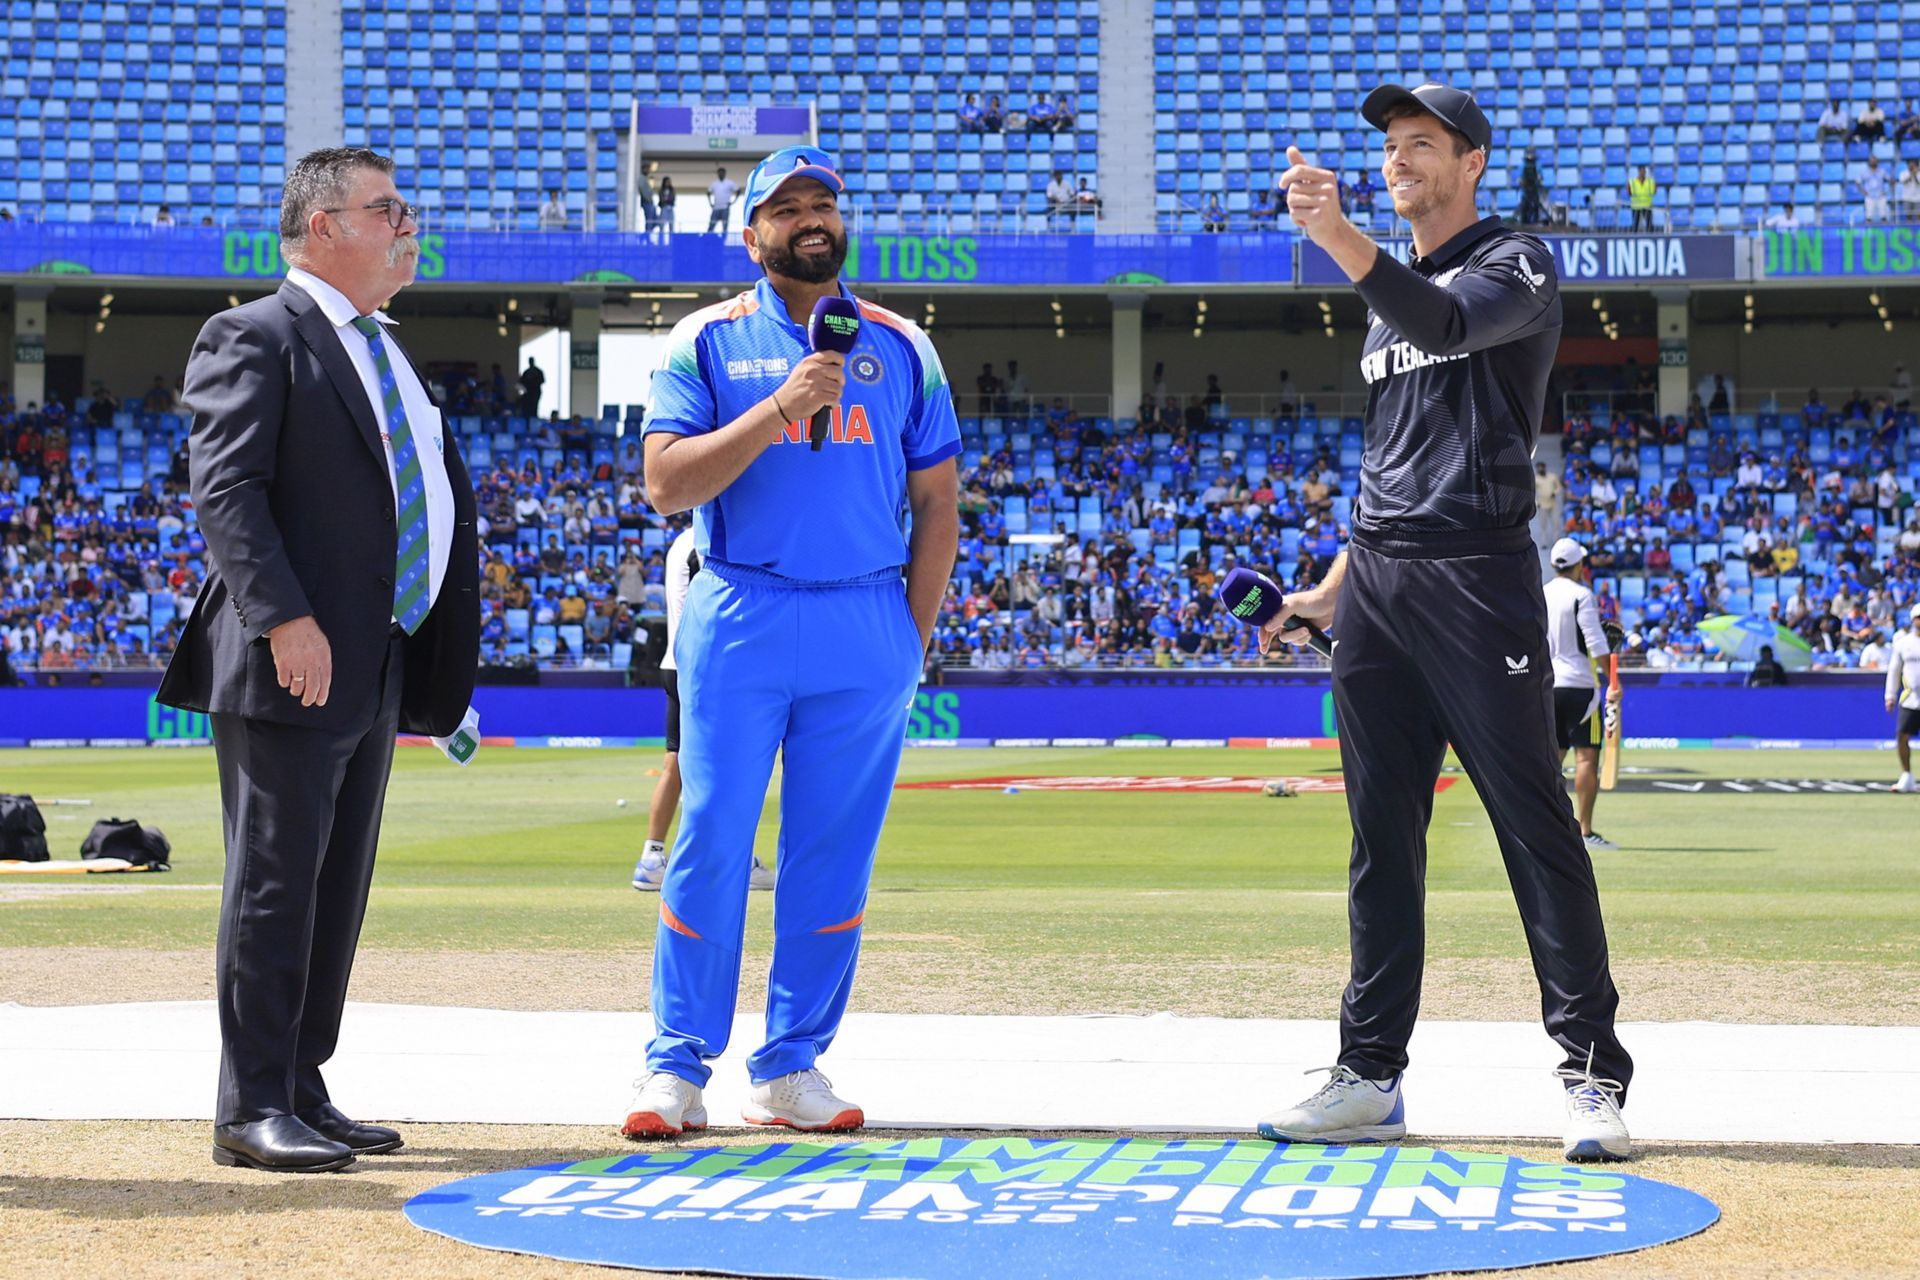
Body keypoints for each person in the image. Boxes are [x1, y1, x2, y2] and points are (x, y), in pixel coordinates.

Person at [1261, 82, 1632, 1162]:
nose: (1398, 159)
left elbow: (1453, 324)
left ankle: (1592, 1074)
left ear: (1472, 162)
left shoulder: (1516, 262)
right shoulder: (1394, 289)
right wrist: (1336, 582)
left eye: (1422, 143)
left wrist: (1336, 234)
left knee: (1534, 827)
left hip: (1479, 577)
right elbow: (1394, 454)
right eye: (1389, 145)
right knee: (1382, 839)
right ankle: (1370, 1071)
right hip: (1380, 582)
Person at [624, 145, 961, 1139]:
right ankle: (676, 1067)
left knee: (832, 855)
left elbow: (937, 501)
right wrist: (782, 407)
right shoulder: (706, 340)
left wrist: (911, 635)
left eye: (824, 202)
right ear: (753, 234)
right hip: (743, 607)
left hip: (866, 618)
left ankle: (791, 1063)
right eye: (787, 207)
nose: (810, 217)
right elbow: (666, 485)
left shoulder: (903, 344)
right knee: (713, 837)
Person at [155, 147, 479, 1173]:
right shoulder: (255, 334)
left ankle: (301, 1079)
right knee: (275, 880)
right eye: (387, 208)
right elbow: (228, 492)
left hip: (375, 657)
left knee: (335, 885)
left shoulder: (385, 349)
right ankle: (249, 1101)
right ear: (322, 227)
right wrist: (284, 618)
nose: (407, 222)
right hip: (292, 657)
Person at [631, 525, 774, 892]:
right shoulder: (714, 538)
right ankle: (730, 861)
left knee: (675, 764)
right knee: (731, 765)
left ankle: (652, 857)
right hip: (708, 666)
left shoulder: (681, 541)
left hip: (674, 661)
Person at [1544, 538, 1619, 850]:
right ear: (1578, 566)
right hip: (1580, 685)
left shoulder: (1541, 592)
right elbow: (1597, 642)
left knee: (1552, 760)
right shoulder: (1582, 595)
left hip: (1547, 684)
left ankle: (1549, 829)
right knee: (1586, 756)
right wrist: (1613, 678)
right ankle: (1585, 831)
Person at [1887, 604, 1920, 793]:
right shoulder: (1903, 644)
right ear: (1913, 620)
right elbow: (1894, 671)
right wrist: (1890, 695)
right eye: (1918, 617)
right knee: (1902, 736)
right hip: (1911, 698)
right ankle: (1907, 775)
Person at [1857, 156, 1891, 223]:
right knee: (1868, 218)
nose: (1873, 162)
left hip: (1880, 196)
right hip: (1869, 196)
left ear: (1877, 162)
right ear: (1869, 162)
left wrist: (1887, 191)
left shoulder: (1882, 172)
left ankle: (1885, 231)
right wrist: (1863, 192)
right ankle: (1868, 232)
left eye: (1874, 161)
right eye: (1871, 161)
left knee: (1883, 217)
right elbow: (1857, 182)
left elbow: (1891, 181)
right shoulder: (1865, 172)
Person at [1517, 148, 1547, 225]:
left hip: (1535, 190)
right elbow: (1520, 178)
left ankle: (1535, 222)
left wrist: (1539, 179)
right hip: (1525, 191)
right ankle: (1523, 224)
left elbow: (1541, 177)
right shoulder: (1523, 165)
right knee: (1524, 207)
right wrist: (1521, 182)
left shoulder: (1538, 164)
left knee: (1536, 207)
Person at [706, 166, 738, 233]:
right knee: (711, 226)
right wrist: (710, 203)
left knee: (725, 226)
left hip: (725, 208)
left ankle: (724, 241)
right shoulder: (714, 184)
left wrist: (733, 202)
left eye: (722, 173)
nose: (720, 174)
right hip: (716, 208)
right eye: (719, 173)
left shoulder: (730, 183)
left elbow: (738, 191)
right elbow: (708, 192)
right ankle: (707, 240)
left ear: (724, 173)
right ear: (717, 174)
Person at [1627, 165, 1656, 232]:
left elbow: (1654, 191)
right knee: (1635, 225)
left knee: (1649, 225)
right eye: (1642, 171)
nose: (1644, 173)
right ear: (1639, 171)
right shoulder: (1632, 182)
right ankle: (1634, 238)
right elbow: (1629, 192)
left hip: (1647, 205)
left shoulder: (1650, 182)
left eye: (1644, 171)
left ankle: (1651, 237)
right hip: (1636, 206)